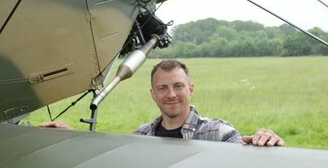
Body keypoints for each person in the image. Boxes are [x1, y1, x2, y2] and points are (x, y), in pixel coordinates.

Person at [41, 59, 284, 147]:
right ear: (153, 95)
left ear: (190, 89)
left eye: (178, 86)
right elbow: (113, 159)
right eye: (162, 88)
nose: (171, 94)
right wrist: (71, 137)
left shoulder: (216, 132)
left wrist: (266, 141)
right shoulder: (142, 136)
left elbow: (248, 158)